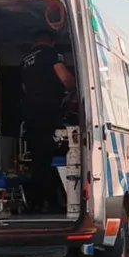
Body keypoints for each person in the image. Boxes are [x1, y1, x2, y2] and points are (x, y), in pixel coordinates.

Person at [21, 29, 76, 214]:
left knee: (39, 161)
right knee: (60, 158)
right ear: (51, 41)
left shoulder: (26, 60)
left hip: (31, 116)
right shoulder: (51, 54)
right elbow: (65, 78)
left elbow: (24, 87)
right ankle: (55, 203)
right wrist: (77, 88)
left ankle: (37, 203)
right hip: (50, 114)